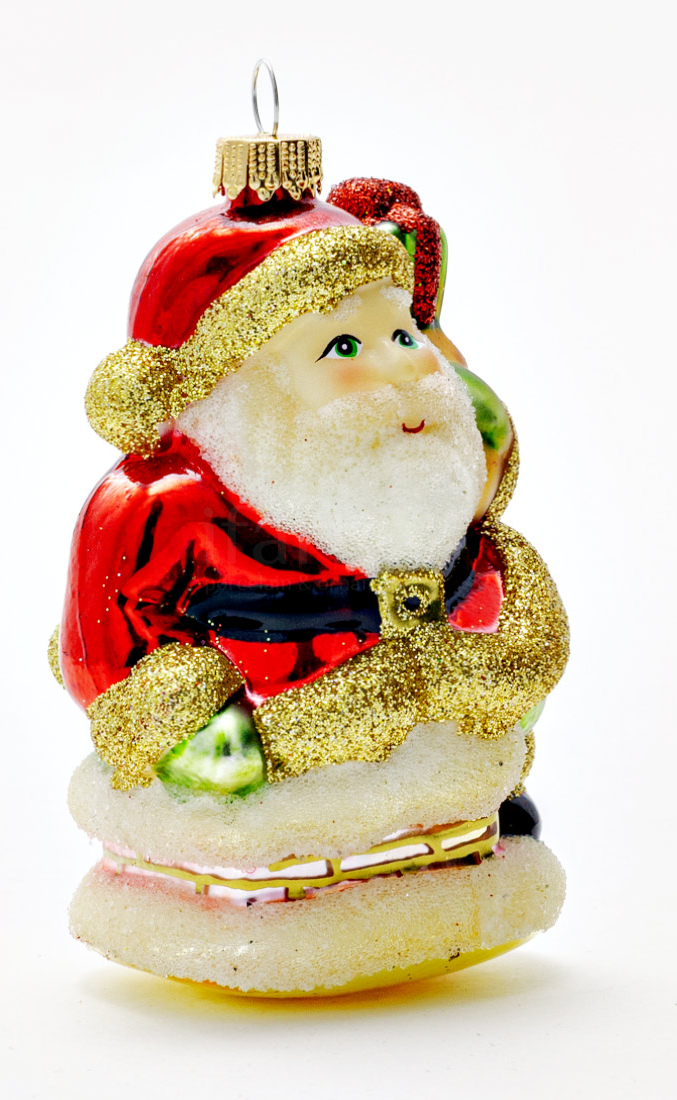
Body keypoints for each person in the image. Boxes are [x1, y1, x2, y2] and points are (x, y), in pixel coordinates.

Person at [55, 179, 567, 794]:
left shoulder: (452, 453)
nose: (403, 367)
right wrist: (207, 747)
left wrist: (497, 675)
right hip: (281, 752)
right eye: (343, 346)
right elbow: (108, 647)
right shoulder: (160, 505)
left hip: (457, 724)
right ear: (237, 396)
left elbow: (487, 542)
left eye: (403, 335)